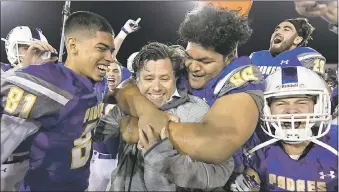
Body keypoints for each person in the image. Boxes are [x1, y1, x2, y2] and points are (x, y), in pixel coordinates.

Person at [111, 4, 264, 165]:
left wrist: (143, 129)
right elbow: (125, 87)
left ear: (229, 57)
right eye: (190, 57)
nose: (193, 67)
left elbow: (215, 143)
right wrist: (147, 111)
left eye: (205, 61)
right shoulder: (179, 60)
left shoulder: (242, 78)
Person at [94, 42, 234, 191]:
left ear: (175, 78)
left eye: (164, 78)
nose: (156, 87)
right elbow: (94, 133)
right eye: (149, 78)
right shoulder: (128, 106)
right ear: (137, 81)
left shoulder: (196, 111)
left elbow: (222, 170)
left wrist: (165, 160)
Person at [1, 11, 115, 191]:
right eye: (101, 48)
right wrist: (24, 70)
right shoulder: (49, 81)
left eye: (112, 50)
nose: (110, 57)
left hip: (78, 183)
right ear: (73, 46)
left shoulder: (99, 83)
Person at [229, 66, 338, 191]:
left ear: (318, 106)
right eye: (281, 103)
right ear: (267, 109)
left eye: (301, 102)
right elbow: (252, 181)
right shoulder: (258, 145)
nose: (291, 110)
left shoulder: (335, 144)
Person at [0, 26, 57, 191]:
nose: (33, 54)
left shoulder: (44, 82)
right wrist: (23, 69)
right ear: (12, 49)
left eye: (38, 51)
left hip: (30, 162)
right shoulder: (3, 72)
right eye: (26, 48)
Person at [88, 59, 131, 191]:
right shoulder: (95, 94)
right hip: (97, 159)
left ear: (121, 74)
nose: (111, 74)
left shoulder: (129, 97)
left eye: (115, 71)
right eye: (107, 70)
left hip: (120, 161)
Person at [250, 18, 327, 78]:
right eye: (277, 29)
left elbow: (316, 85)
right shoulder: (256, 56)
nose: (278, 32)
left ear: (297, 39)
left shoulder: (306, 56)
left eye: (286, 30)